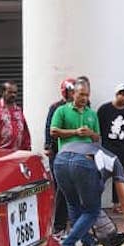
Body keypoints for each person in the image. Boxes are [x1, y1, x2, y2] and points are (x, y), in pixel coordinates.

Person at [49, 79, 102, 246]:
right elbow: (53, 131)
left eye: (87, 95)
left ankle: (87, 243)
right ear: (73, 94)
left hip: (80, 161)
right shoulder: (61, 110)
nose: (84, 98)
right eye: (81, 95)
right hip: (70, 161)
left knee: (74, 205)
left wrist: (90, 134)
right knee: (92, 209)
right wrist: (75, 133)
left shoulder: (92, 114)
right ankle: (68, 245)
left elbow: (97, 138)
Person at [45, 77, 77, 235]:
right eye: (71, 91)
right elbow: (49, 127)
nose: (74, 94)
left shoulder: (83, 108)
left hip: (76, 152)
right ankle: (59, 226)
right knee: (60, 189)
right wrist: (48, 146)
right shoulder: (57, 107)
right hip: (59, 152)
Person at [0, 81, 31, 151]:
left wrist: (26, 150)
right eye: (10, 92)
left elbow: (25, 134)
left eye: (15, 92)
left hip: (16, 155)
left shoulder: (18, 110)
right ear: (2, 92)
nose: (13, 95)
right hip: (0, 154)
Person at [98, 82, 124, 168]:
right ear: (117, 94)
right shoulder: (104, 109)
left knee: (119, 175)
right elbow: (98, 128)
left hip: (122, 150)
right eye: (123, 95)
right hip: (107, 148)